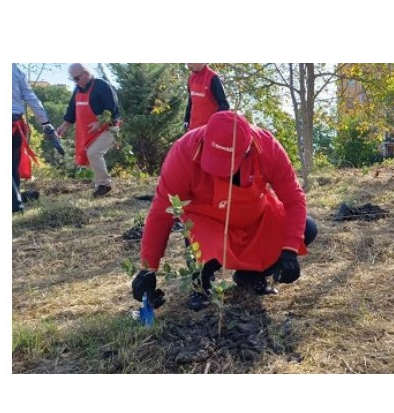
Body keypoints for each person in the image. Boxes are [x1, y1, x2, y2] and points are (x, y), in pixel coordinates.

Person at [132, 111, 317, 311]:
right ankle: (201, 282)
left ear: (247, 150)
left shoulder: (268, 147)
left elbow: (294, 199)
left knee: (307, 228)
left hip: (255, 219)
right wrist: (147, 270)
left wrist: (289, 250)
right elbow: (162, 212)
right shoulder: (183, 152)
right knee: (197, 238)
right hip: (207, 223)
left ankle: (251, 274)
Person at [56, 63, 121, 198]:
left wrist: (100, 122)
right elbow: (71, 110)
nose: (75, 82)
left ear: (86, 73)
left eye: (76, 78)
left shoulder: (102, 86)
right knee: (88, 155)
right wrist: (64, 126)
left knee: (93, 153)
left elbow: (112, 108)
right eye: (72, 79)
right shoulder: (77, 90)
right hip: (88, 132)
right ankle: (99, 188)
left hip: (109, 128)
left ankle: (104, 184)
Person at [12, 63, 54, 213]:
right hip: (15, 124)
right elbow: (31, 97)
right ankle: (15, 204)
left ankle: (15, 204)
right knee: (12, 166)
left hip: (14, 125)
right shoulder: (15, 69)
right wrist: (45, 122)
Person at [184, 63, 230, 132]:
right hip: (193, 130)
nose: (188, 65)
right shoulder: (191, 78)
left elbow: (224, 105)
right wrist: (186, 120)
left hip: (209, 130)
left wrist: (214, 125)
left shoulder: (213, 78)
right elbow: (191, 102)